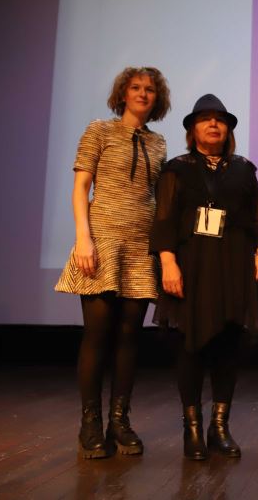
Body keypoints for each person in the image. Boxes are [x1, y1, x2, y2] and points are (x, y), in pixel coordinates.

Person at [150, 93, 258, 460]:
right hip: (191, 265)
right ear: (192, 129)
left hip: (233, 265)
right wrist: (168, 263)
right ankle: (192, 429)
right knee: (190, 346)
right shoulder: (176, 169)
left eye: (220, 119)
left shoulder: (243, 168)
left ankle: (219, 427)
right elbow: (164, 219)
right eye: (205, 119)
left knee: (228, 346)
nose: (214, 124)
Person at [55, 66, 170, 458]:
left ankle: (119, 421)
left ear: (157, 99)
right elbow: (80, 187)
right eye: (135, 87)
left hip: (140, 246)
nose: (143, 93)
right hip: (102, 240)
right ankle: (90, 423)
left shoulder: (158, 143)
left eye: (150, 89)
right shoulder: (99, 130)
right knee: (98, 334)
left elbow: (156, 196)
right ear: (123, 94)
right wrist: (83, 239)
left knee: (129, 336)